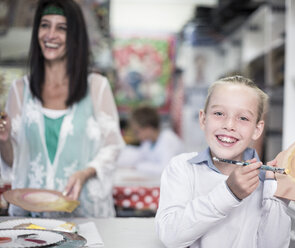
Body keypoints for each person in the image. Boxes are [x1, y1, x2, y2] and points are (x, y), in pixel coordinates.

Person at [0, 0, 123, 217]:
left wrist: (85, 173)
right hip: (32, 220)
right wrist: (4, 138)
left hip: (84, 216)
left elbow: (112, 147)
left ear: (75, 36)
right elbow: (13, 161)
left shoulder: (96, 87)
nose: (50, 35)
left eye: (61, 28)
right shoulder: (20, 89)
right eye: (45, 25)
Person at [155, 75, 291, 247]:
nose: (229, 125)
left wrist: (274, 197)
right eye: (219, 113)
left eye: (243, 118)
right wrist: (228, 193)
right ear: (203, 119)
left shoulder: (267, 182)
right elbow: (170, 236)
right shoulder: (182, 167)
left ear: (257, 129)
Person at [116, 105, 184, 175]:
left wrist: (138, 166)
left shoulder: (167, 139)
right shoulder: (148, 143)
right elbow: (138, 156)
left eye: (137, 132)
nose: (136, 136)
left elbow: (165, 169)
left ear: (148, 128)